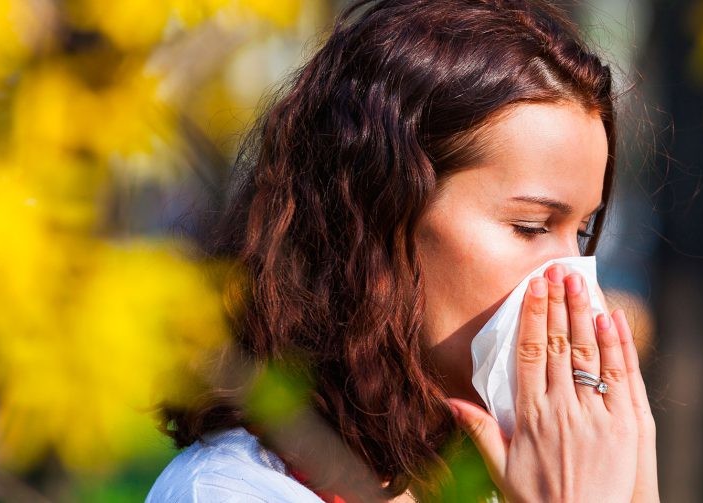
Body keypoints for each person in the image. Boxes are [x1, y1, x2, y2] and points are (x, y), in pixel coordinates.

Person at [146, 0, 658, 501]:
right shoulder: (229, 490)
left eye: (582, 234)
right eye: (530, 227)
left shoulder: (494, 477)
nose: (575, 285)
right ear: (377, 216)